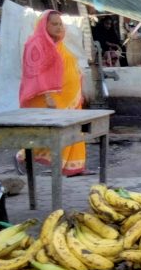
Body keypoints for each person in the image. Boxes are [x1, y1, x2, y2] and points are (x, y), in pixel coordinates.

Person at [15, 11, 92, 176]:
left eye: (60, 23)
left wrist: (78, 90)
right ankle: (22, 156)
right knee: (48, 132)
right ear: (44, 25)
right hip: (50, 98)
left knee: (73, 130)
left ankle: (72, 167)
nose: (59, 27)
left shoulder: (59, 44)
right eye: (54, 24)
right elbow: (35, 74)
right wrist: (48, 97)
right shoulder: (35, 44)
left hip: (68, 97)